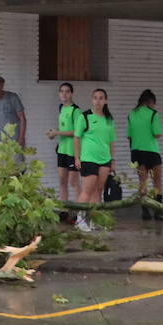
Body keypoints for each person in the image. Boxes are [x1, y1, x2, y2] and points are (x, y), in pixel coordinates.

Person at [73, 88, 116, 233]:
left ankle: (94, 220)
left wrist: (112, 159)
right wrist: (77, 158)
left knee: (98, 190)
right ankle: (79, 220)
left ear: (105, 101)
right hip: (88, 159)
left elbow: (111, 141)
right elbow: (77, 138)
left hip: (104, 159)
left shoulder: (109, 120)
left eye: (101, 98)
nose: (98, 101)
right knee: (87, 190)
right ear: (92, 100)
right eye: (95, 98)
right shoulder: (84, 116)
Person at [127, 89, 163, 220]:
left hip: (136, 152)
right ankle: (158, 211)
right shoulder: (154, 114)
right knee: (157, 182)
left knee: (142, 182)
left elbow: (129, 136)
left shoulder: (131, 114)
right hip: (152, 152)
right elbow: (157, 134)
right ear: (150, 102)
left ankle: (145, 211)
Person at [44, 82, 80, 218]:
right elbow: (63, 129)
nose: (64, 94)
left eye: (67, 91)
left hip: (72, 151)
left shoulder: (75, 110)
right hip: (62, 150)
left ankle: (79, 211)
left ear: (72, 94)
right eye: (62, 91)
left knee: (74, 182)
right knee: (62, 181)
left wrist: (58, 133)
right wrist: (53, 135)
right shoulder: (61, 108)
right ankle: (65, 211)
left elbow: (77, 131)